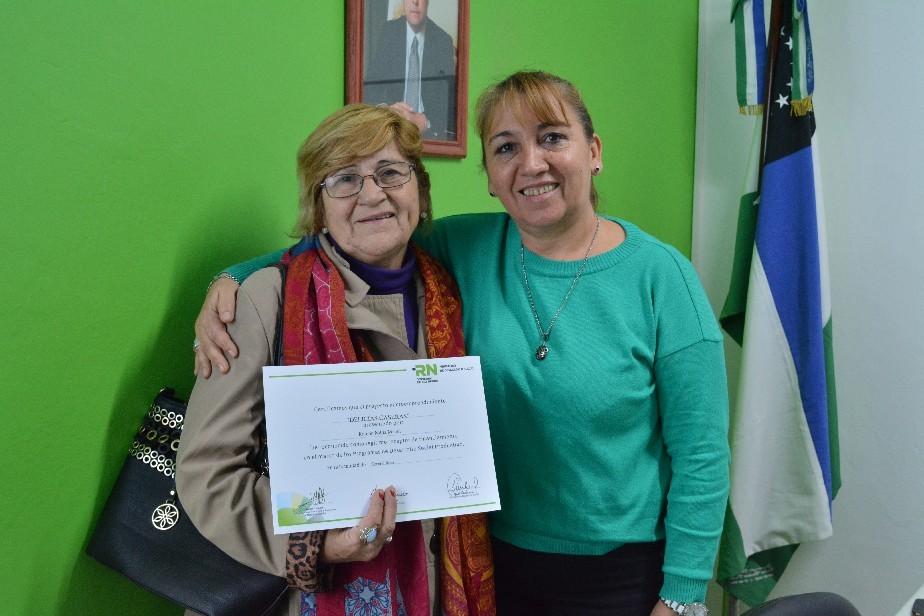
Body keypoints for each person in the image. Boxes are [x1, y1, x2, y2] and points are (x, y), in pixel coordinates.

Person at [195, 71, 729, 616]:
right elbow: (347, 236)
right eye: (506, 148)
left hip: (620, 578)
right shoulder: (467, 247)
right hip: (493, 570)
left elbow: (702, 455)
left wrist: (683, 596)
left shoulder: (661, 277)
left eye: (552, 137)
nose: (532, 163)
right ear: (490, 176)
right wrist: (234, 277)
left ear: (593, 152)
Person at [177, 104, 494, 616]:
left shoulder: (454, 295)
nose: (372, 194)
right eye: (345, 179)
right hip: (306, 598)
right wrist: (317, 546)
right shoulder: (264, 301)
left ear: (419, 188)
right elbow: (207, 474)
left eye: (390, 172)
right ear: (318, 206)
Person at [364, 0, 456, 140]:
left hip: (427, 133)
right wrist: (386, 109)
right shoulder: (388, 32)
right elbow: (371, 86)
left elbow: (448, 101)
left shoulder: (443, 41)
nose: (415, 2)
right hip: (392, 125)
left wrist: (426, 122)